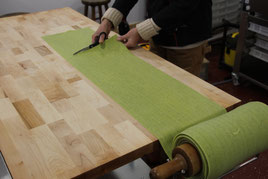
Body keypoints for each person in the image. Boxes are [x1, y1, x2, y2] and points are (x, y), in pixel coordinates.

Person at [92, 0, 212, 76]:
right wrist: (108, 22)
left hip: (186, 42)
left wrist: (140, 31)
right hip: (158, 34)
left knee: (182, 96)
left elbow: (184, 5)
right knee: (157, 88)